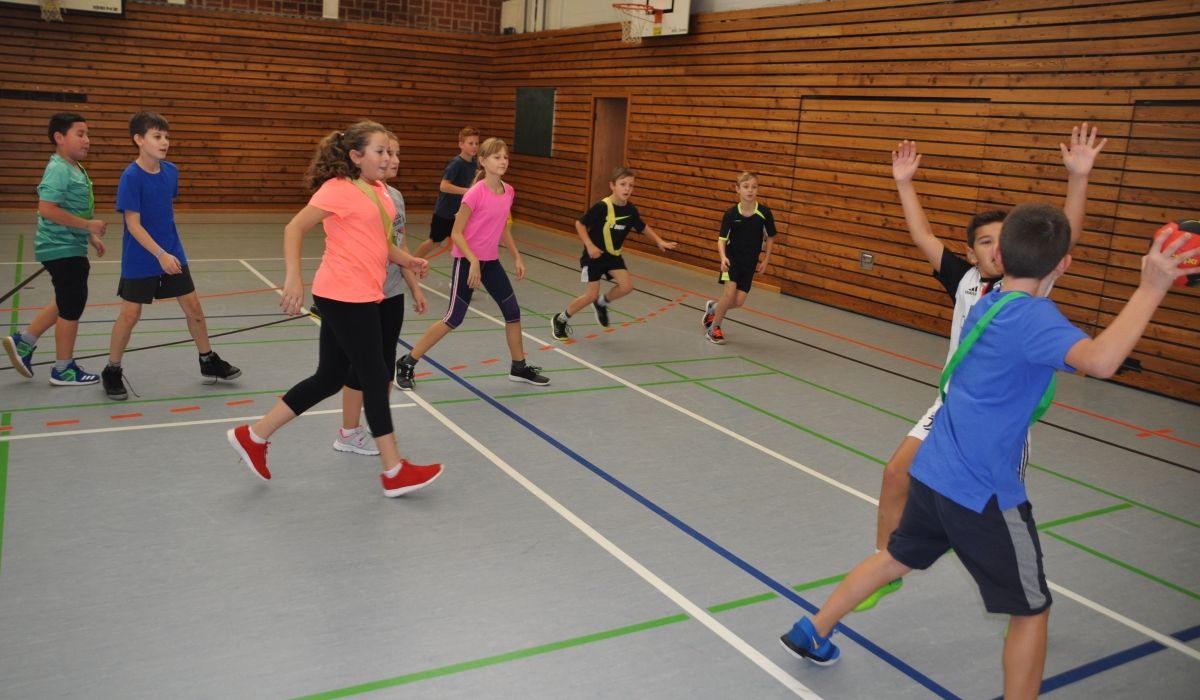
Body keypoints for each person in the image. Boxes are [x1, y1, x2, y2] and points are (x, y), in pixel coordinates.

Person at [780, 204, 1194, 699]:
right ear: (1063, 265)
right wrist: (1151, 287)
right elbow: (1102, 361)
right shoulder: (1036, 319)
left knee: (895, 557)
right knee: (1031, 612)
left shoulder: (988, 302)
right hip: (983, 494)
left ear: (999, 255)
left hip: (934, 473)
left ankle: (814, 629)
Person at [856, 124, 1105, 612]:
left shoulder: (1030, 287)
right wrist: (905, 183)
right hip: (951, 407)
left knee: (996, 512)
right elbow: (921, 234)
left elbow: (1065, 234)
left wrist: (1078, 179)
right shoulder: (964, 279)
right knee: (894, 474)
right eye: (985, 242)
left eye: (1000, 240)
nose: (994, 249)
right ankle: (885, 565)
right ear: (972, 253)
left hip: (999, 424)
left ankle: (1024, 591)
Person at [227, 121, 442, 497]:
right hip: (343, 295)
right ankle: (394, 469)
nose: (388, 158)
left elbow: (381, 246)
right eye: (380, 151)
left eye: (390, 152)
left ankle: (254, 435)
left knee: (328, 377)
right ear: (356, 156)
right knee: (375, 376)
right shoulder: (338, 189)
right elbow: (294, 228)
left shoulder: (381, 194)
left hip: (363, 294)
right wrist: (293, 277)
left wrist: (409, 261)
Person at [100, 112, 241, 400]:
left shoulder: (171, 171)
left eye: (166, 136)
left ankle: (207, 360)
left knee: (194, 309)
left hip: (172, 253)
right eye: (157, 136)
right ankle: (112, 369)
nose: (164, 142)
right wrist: (159, 253)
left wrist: (168, 251)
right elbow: (133, 224)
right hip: (141, 256)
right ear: (139, 140)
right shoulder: (130, 177)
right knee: (130, 314)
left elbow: (164, 212)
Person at [395, 137, 548, 390]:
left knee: (513, 313)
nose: (503, 161)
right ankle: (407, 361)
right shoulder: (475, 193)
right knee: (454, 318)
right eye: (497, 157)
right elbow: (456, 233)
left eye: (506, 157)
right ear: (483, 161)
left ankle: (518, 366)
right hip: (467, 263)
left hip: (491, 264)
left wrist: (517, 256)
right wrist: (473, 260)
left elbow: (503, 229)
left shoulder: (508, 191)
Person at [333, 132, 428, 456]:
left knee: (385, 364)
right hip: (362, 293)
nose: (394, 160)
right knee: (359, 366)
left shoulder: (396, 197)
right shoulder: (354, 193)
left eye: (397, 154)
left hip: (391, 292)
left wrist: (413, 286)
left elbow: (399, 245)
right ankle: (348, 430)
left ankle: (378, 422)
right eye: (387, 152)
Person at [4, 112, 107, 385]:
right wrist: (87, 225)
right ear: (59, 138)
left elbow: (70, 208)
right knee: (72, 305)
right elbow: (47, 209)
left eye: (87, 134)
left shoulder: (74, 167)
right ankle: (63, 368)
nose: (87, 140)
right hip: (60, 248)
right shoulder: (59, 168)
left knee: (66, 299)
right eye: (80, 134)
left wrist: (89, 236)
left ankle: (24, 342)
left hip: (69, 246)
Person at [551, 166, 676, 340]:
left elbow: (642, 226)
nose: (627, 189)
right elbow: (580, 224)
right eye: (623, 184)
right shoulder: (602, 207)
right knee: (590, 294)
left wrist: (659, 241)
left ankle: (601, 303)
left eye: (631, 185)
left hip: (612, 256)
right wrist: (589, 245)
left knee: (627, 286)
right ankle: (561, 319)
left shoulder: (630, 210)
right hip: (593, 256)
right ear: (612, 186)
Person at [701, 171, 777, 344]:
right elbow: (721, 240)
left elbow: (771, 237)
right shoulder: (731, 214)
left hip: (749, 263)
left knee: (739, 301)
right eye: (746, 186)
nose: (750, 190)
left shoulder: (764, 213)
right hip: (731, 260)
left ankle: (713, 307)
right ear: (737, 189)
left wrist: (766, 259)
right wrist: (722, 258)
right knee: (728, 295)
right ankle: (714, 329)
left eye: (754, 187)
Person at [412, 126, 479, 260]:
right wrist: (467, 191)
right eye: (470, 143)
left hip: (460, 212)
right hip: (445, 212)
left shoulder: (474, 162)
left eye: (477, 143)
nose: (474, 146)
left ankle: (460, 275)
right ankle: (411, 263)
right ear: (461, 144)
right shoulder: (456, 164)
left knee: (463, 243)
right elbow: (444, 186)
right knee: (435, 242)